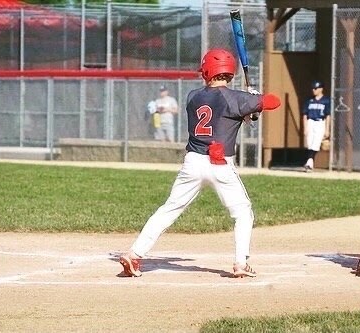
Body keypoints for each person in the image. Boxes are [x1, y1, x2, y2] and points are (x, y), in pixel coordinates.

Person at [119, 48, 281, 278]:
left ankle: (135, 253)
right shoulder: (236, 98)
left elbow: (220, 114)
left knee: (169, 209)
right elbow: (274, 101)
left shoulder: (192, 96)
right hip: (220, 163)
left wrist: (250, 105)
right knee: (242, 212)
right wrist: (255, 99)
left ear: (207, 71)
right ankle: (240, 263)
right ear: (229, 71)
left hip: (192, 162)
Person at [300, 80, 331, 172]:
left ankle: (309, 162)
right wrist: (305, 127)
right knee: (310, 143)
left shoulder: (326, 100)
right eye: (313, 88)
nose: (313, 90)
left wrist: (327, 129)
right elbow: (305, 115)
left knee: (316, 143)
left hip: (320, 122)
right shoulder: (309, 100)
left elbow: (328, 115)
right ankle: (310, 163)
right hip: (310, 122)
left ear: (321, 89)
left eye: (316, 88)